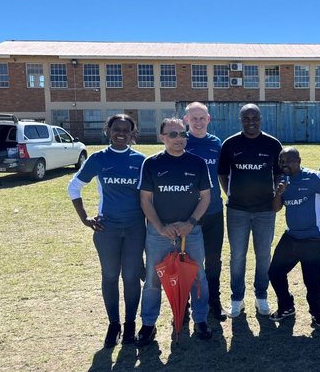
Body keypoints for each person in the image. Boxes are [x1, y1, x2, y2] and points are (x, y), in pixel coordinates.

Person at [67, 114, 146, 347]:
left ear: (133, 133)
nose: (121, 133)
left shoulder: (141, 160)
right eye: (116, 129)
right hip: (107, 229)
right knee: (110, 276)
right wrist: (85, 219)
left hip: (134, 229)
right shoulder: (98, 158)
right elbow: (74, 187)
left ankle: (130, 324)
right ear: (108, 130)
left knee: (131, 277)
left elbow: (149, 197)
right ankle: (114, 325)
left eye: (126, 130)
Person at [137, 117, 212, 345]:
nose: (179, 139)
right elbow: (145, 200)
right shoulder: (151, 163)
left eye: (182, 134)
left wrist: (190, 222)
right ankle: (148, 325)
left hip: (191, 232)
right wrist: (160, 227)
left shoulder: (197, 163)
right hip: (159, 235)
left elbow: (205, 197)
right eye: (173, 134)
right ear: (162, 138)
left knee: (198, 276)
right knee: (152, 280)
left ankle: (200, 320)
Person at [269, 147, 320, 329]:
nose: (285, 164)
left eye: (289, 160)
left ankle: (318, 313)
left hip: (313, 238)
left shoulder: (313, 177)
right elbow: (276, 208)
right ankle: (286, 306)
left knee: (313, 280)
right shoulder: (282, 181)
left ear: (299, 160)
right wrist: (278, 193)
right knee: (275, 272)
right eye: (281, 161)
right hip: (292, 236)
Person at [218, 103, 282, 318]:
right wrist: (231, 194)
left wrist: (274, 196)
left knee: (263, 255)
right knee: (237, 256)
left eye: (255, 118)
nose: (251, 122)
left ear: (261, 119)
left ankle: (261, 296)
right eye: (246, 118)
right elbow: (222, 174)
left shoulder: (272, 144)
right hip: (237, 210)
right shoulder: (230, 144)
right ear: (240, 120)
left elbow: (278, 174)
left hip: (265, 210)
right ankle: (237, 299)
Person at [183, 102, 227, 321]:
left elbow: (222, 174)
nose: (198, 122)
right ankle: (184, 304)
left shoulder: (216, 143)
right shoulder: (181, 142)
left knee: (213, 260)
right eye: (194, 118)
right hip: (187, 214)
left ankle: (214, 302)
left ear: (209, 119)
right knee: (188, 260)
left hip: (214, 212)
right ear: (186, 120)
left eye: (202, 118)